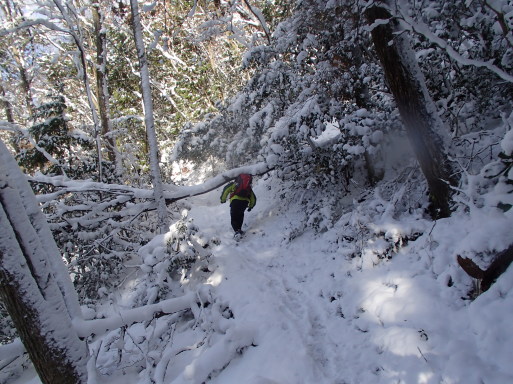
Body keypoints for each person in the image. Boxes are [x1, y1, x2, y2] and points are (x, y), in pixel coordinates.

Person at [220, 173, 256, 238]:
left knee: (234, 217)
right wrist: (251, 206)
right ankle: (239, 229)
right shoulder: (248, 187)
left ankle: (237, 231)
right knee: (240, 215)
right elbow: (253, 198)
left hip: (235, 201)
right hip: (245, 202)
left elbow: (226, 190)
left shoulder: (234, 184)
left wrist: (223, 200)